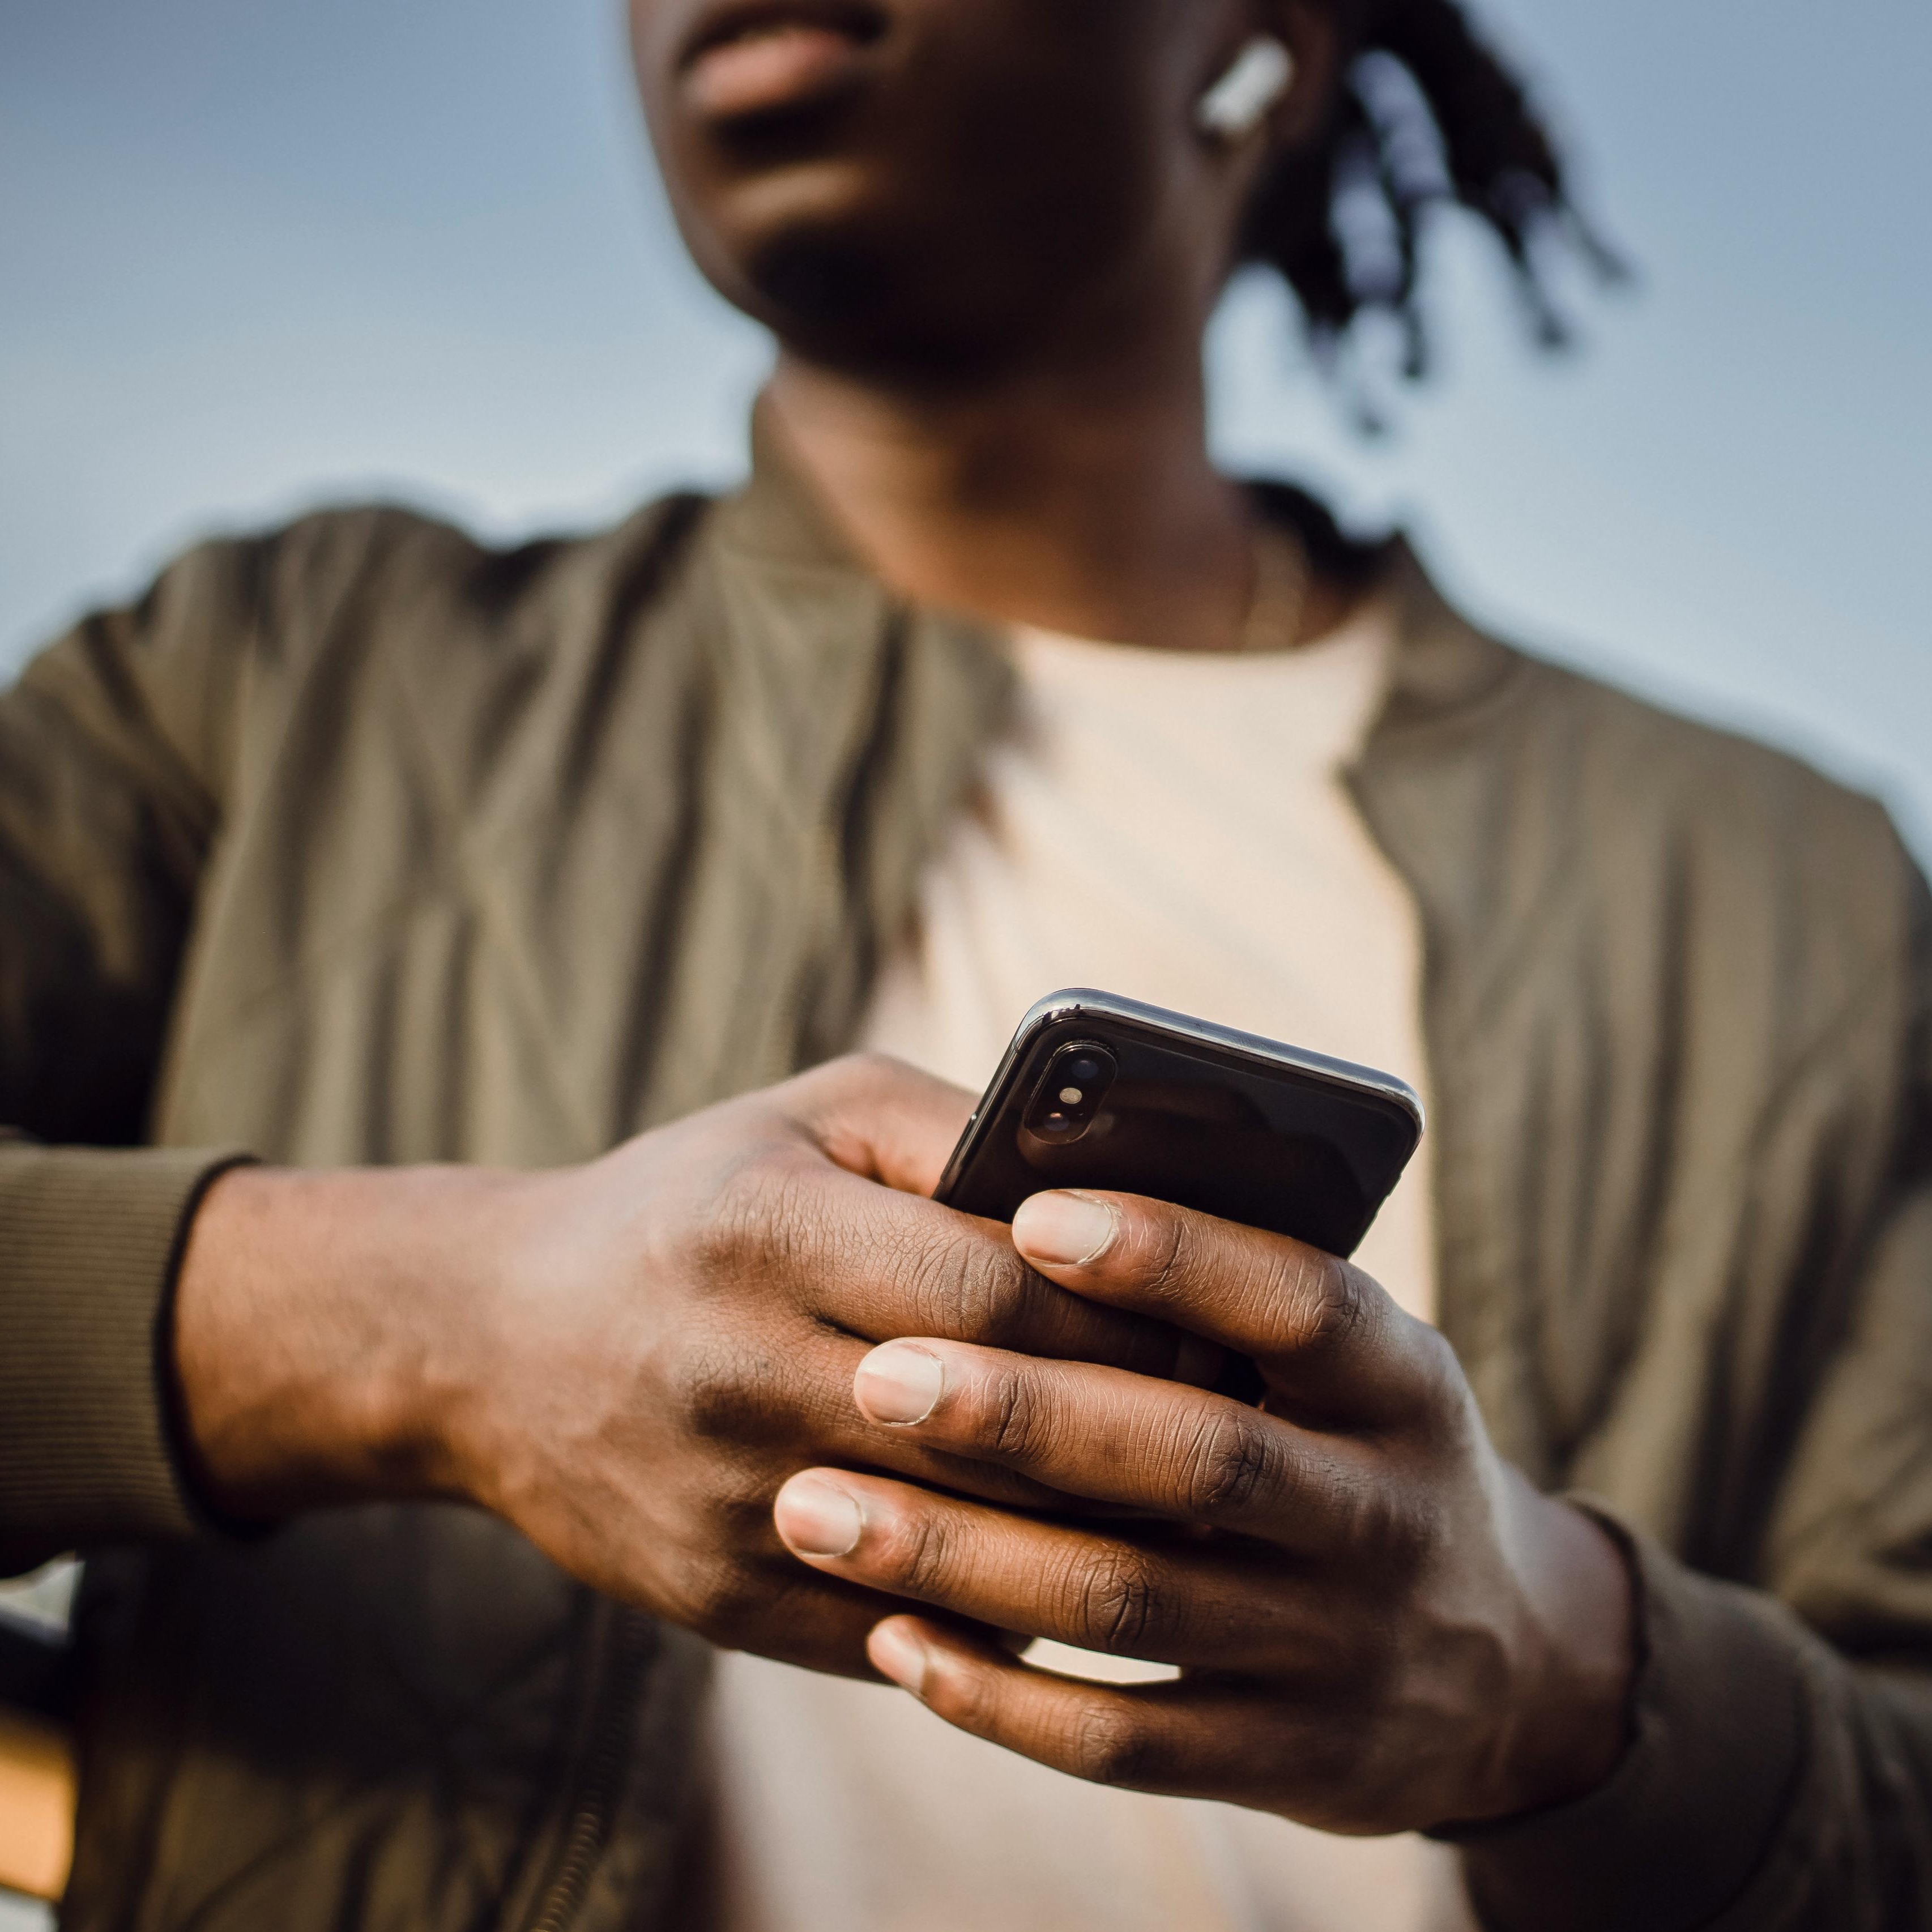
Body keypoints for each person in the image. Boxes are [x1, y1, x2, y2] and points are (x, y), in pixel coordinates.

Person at [1, 0, 1928, 1927]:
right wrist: (435, 1330)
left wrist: (1559, 1677)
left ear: (1263, 43)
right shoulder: (287, 678)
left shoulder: (1793, 905)